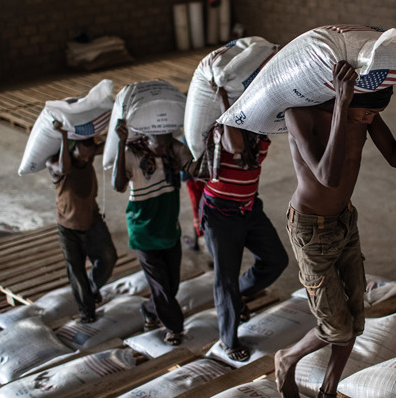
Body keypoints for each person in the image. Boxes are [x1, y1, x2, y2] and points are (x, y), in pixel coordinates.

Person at [274, 61, 396, 398]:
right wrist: (341, 107)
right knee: (336, 326)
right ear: (343, 99)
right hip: (311, 229)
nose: (369, 121)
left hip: (344, 222)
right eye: (365, 115)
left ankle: (327, 393)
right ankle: (287, 356)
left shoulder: (363, 110)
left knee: (355, 318)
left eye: (374, 116)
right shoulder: (299, 115)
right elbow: (327, 175)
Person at [200, 90, 289, 363]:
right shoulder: (220, 129)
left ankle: (237, 295)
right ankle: (229, 340)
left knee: (276, 260)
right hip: (220, 214)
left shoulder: (259, 130)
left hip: (249, 208)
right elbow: (235, 147)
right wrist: (228, 106)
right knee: (224, 278)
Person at [113, 119, 193, 345]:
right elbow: (118, 185)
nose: (164, 146)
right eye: (159, 143)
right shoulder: (133, 156)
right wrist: (120, 144)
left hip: (169, 230)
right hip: (144, 234)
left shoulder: (173, 152)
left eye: (168, 141)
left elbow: (194, 167)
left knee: (171, 285)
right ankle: (174, 327)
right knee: (161, 287)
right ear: (146, 139)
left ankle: (148, 310)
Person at [46, 121, 117, 324]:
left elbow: (106, 144)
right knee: (75, 269)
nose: (86, 159)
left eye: (89, 154)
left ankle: (92, 288)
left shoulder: (87, 157)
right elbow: (64, 167)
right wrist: (64, 135)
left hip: (93, 221)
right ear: (70, 149)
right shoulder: (54, 164)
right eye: (82, 154)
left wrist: (115, 129)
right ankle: (87, 312)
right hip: (68, 229)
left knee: (108, 258)